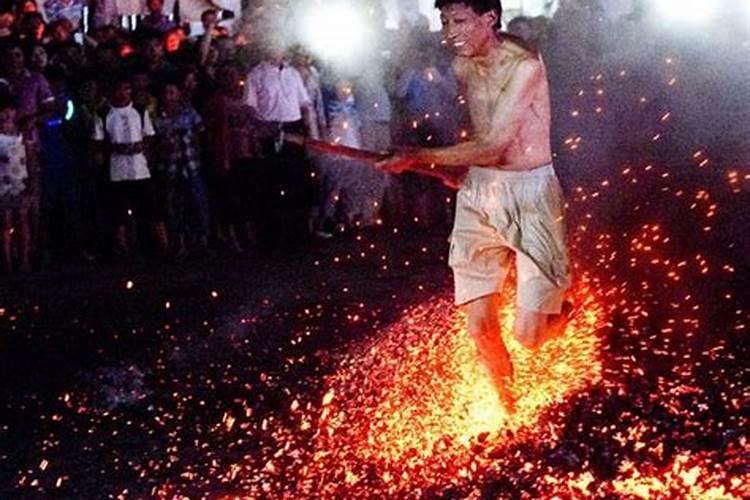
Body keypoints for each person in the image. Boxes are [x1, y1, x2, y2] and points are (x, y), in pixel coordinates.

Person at [378, 0, 572, 408]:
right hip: (481, 191)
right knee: (480, 326)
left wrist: (417, 156)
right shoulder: (463, 66)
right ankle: (510, 410)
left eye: (461, 21)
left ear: (490, 19)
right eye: (446, 21)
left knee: (528, 337)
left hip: (531, 193)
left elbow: (495, 144)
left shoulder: (525, 65)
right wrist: (461, 172)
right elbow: (480, 134)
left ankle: (557, 314)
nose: (451, 31)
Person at [93, 75, 168, 259]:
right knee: (118, 213)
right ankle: (124, 249)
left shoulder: (140, 111)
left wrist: (140, 146)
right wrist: (116, 148)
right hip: (116, 171)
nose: (123, 93)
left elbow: (149, 135)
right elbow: (97, 142)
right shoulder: (103, 114)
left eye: (126, 89)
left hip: (140, 169)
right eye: (119, 89)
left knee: (151, 209)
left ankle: (162, 246)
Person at [0, 93, 36, 272]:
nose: (6, 114)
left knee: (22, 220)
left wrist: (33, 180)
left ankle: (24, 259)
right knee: (5, 221)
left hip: (21, 181)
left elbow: (31, 157)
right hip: (2, 184)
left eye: (9, 110)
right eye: (3, 111)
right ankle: (7, 260)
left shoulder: (23, 132)